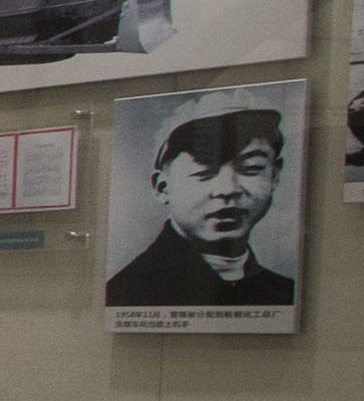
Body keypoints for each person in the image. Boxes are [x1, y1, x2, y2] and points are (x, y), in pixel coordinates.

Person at [104, 91, 294, 311]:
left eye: (251, 168)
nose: (228, 189)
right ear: (162, 187)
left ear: (274, 175)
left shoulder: (284, 293)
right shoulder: (128, 292)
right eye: (204, 172)